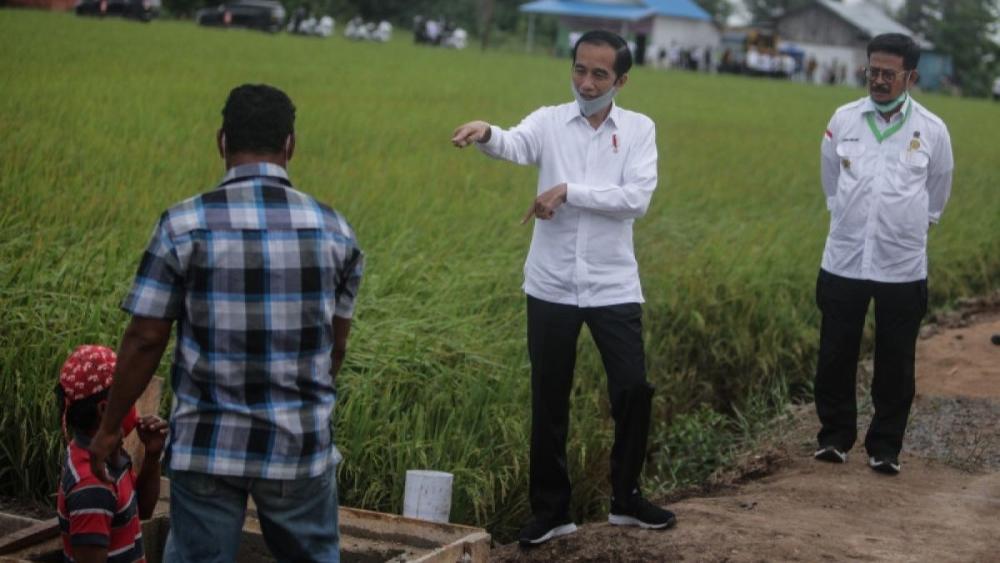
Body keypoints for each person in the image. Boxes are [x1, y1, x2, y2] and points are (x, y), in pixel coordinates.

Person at [88, 84, 364, 562]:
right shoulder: (335, 231)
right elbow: (334, 349)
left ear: (221, 141)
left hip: (207, 444)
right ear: (289, 145)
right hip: (298, 446)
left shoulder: (182, 225)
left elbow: (146, 337)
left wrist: (111, 425)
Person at [451, 30, 675, 547]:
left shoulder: (639, 129)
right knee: (549, 400)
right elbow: (514, 143)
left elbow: (635, 198)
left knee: (632, 389)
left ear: (621, 79)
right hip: (550, 284)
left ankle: (627, 498)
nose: (587, 82)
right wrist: (487, 132)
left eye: (600, 74)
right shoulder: (550, 120)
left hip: (612, 283)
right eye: (579, 69)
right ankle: (551, 511)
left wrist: (569, 191)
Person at [814, 33, 953, 475]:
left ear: (910, 76)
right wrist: (850, 221)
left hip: (902, 264)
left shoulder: (932, 130)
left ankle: (885, 447)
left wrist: (907, 225)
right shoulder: (844, 118)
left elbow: (937, 194)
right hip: (845, 259)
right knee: (835, 354)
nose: (878, 80)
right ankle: (834, 438)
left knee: (896, 361)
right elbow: (831, 180)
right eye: (872, 71)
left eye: (888, 74)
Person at [55, 345, 167, 563]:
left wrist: (152, 456)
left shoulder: (109, 455)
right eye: (127, 396)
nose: (134, 403)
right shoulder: (92, 485)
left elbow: (142, 510)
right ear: (104, 409)